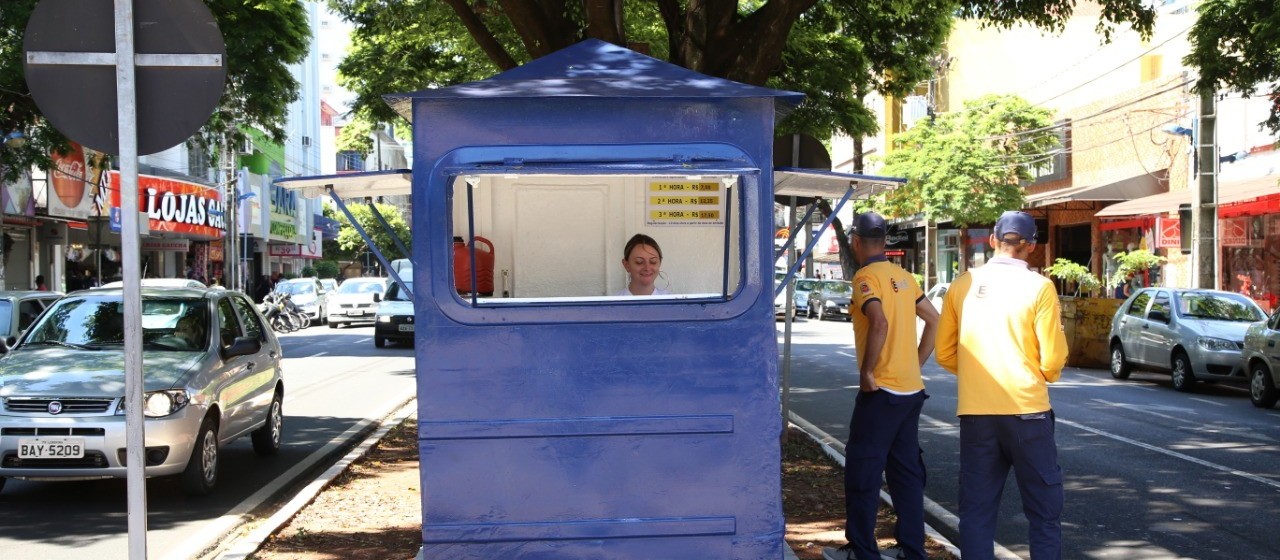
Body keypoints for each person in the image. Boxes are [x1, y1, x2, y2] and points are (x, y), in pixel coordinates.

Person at [935, 211, 1069, 560]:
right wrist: (1042, 376)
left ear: (992, 240)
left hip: (977, 414)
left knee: (976, 513)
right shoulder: (1040, 286)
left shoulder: (962, 284)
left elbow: (945, 353)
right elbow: (1053, 358)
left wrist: (977, 376)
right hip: (1028, 413)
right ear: (1033, 247)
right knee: (1043, 512)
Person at [824, 212, 940, 560]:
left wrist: (868, 372)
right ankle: (912, 550)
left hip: (882, 393)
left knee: (864, 471)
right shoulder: (905, 278)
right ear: (885, 241)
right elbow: (933, 319)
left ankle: (862, 551)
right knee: (906, 473)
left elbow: (878, 321)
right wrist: (915, 364)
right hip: (910, 392)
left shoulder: (865, 278)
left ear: (856, 242)